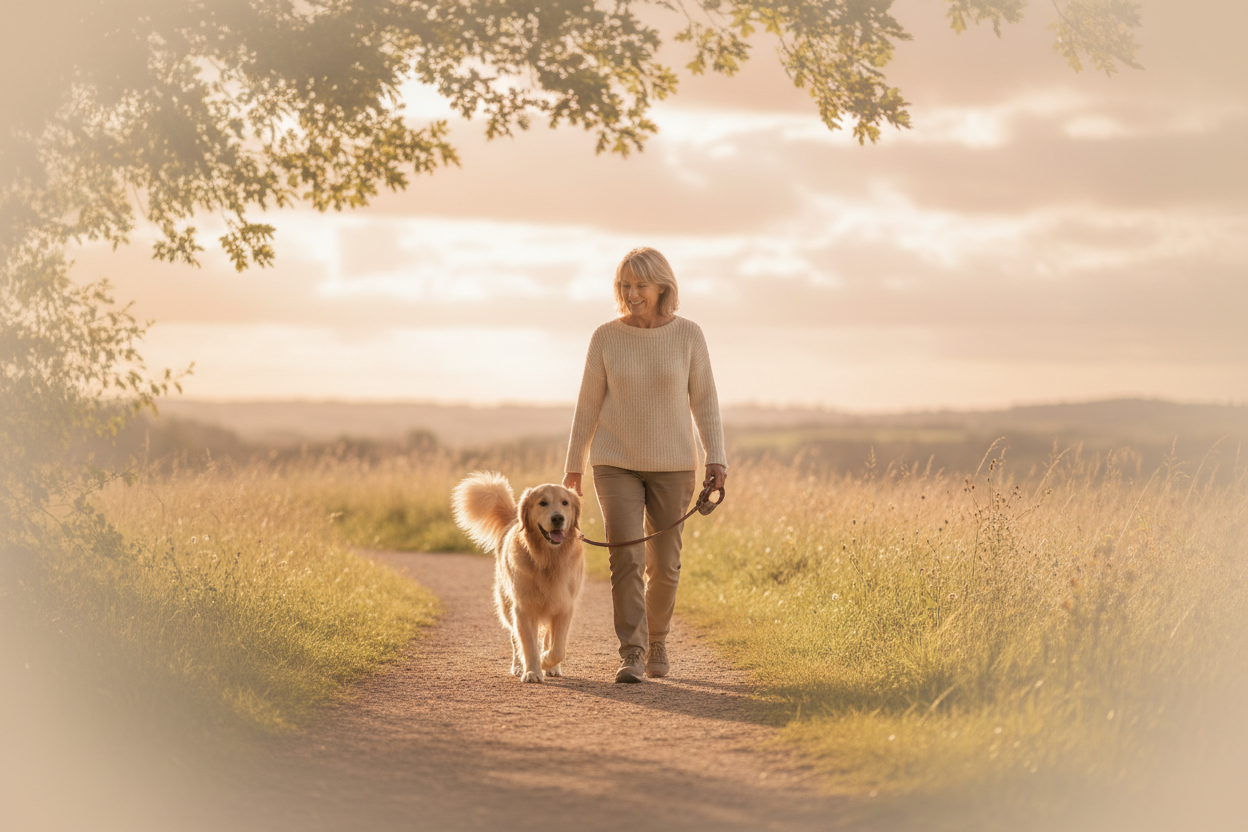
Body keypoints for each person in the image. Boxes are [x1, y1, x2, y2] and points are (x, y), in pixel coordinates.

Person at [563, 247, 728, 683]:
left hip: (674, 464)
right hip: (615, 462)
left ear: (662, 287)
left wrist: (717, 457)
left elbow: (705, 400)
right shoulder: (605, 337)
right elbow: (587, 406)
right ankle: (632, 651)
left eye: (640, 285)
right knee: (627, 558)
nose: (632, 294)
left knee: (666, 563)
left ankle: (658, 640)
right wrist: (573, 466)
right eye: (625, 286)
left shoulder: (689, 335)